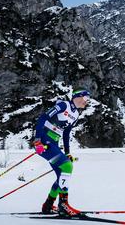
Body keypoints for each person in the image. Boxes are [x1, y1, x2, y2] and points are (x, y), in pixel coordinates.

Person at [33, 88, 91, 216]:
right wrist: (37, 140)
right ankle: (63, 205)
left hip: (54, 143)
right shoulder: (63, 105)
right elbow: (43, 117)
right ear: (78, 96)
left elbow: (66, 133)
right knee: (67, 166)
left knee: (62, 174)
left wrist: (68, 152)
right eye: (86, 98)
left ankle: (48, 205)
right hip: (44, 141)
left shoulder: (76, 114)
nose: (87, 102)